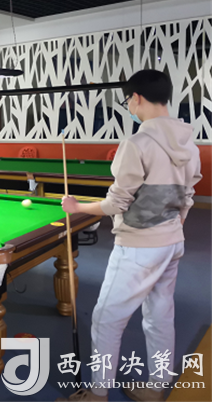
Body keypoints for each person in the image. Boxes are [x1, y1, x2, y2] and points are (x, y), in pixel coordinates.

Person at [57, 70, 201, 402]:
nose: (130, 108)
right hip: (172, 242)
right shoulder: (189, 145)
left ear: (136, 97)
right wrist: (172, 227)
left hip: (138, 247)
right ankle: (156, 388)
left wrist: (76, 207)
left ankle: (97, 393)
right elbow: (188, 197)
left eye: (127, 101)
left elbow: (115, 204)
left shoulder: (137, 144)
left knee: (106, 319)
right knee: (160, 316)